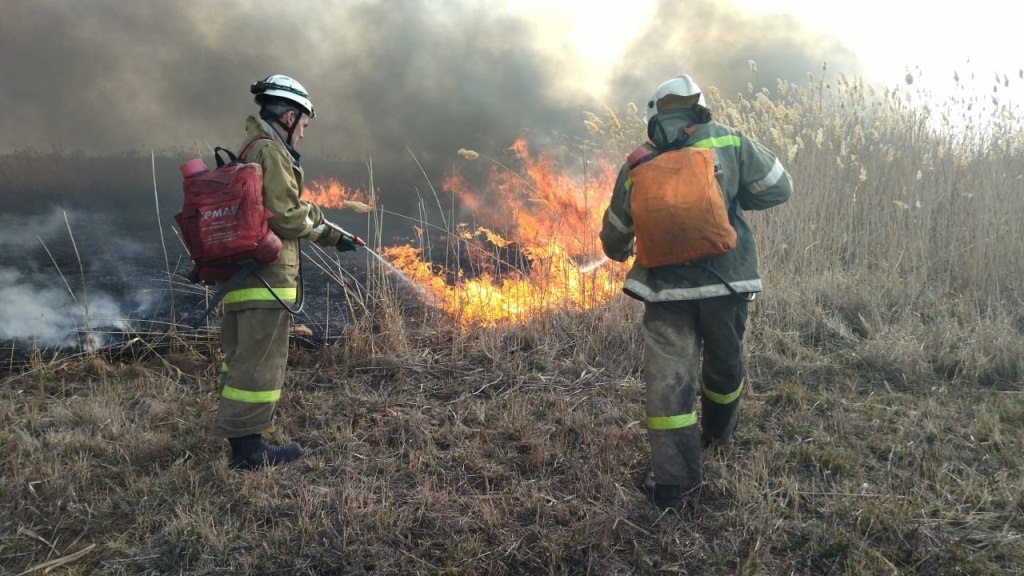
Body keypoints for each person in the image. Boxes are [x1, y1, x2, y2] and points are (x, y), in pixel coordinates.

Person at [600, 74, 792, 509]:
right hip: (728, 282)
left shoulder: (639, 162)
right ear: (700, 107)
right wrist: (733, 201)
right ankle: (718, 438)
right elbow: (780, 187)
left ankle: (671, 483)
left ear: (655, 114)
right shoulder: (730, 142)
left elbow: (615, 236)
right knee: (724, 366)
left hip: (666, 291)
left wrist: (624, 246)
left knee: (669, 380)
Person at [211, 74, 361, 469]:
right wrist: (331, 233)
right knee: (259, 363)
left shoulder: (251, 147)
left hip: (242, 276)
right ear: (290, 116)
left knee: (242, 359)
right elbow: (287, 218)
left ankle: (240, 437)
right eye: (305, 126)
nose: (304, 135)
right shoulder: (272, 153)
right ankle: (249, 452)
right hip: (266, 278)